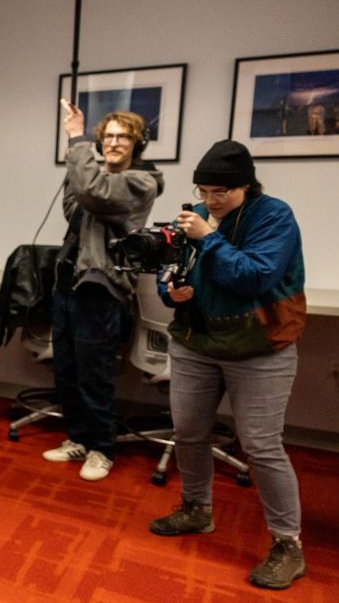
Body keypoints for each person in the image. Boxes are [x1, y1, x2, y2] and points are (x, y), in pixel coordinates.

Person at [149, 140, 307, 590]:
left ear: (246, 186)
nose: (210, 200)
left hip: (260, 347)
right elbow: (170, 268)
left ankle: (288, 545)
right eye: (203, 191)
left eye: (221, 192)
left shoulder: (273, 216)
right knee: (188, 431)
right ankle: (196, 509)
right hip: (197, 341)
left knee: (261, 446)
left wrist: (208, 237)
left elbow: (253, 276)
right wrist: (169, 291)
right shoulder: (196, 216)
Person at [42, 101, 163, 481]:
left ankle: (102, 449)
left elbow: (94, 194)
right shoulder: (93, 177)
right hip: (68, 285)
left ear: (137, 144)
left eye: (122, 137)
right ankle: (78, 438)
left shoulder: (141, 183)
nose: (113, 143)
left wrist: (76, 141)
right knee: (67, 371)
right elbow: (73, 206)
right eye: (107, 136)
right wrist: (80, 170)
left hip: (100, 289)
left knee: (94, 375)